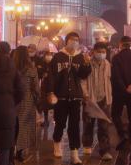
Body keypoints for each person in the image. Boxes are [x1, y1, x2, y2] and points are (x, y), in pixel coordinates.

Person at [48, 32, 92, 164]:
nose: (75, 42)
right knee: (60, 123)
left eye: (77, 40)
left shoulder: (80, 57)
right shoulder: (58, 57)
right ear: (66, 41)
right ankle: (57, 143)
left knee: (74, 126)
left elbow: (83, 75)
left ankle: (74, 153)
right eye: (72, 40)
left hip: (75, 97)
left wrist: (87, 64)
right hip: (61, 97)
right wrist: (51, 92)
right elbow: (51, 76)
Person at [81, 42, 113, 161]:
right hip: (90, 98)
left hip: (104, 99)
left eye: (103, 52)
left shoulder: (107, 64)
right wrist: (85, 95)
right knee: (88, 123)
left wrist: (109, 96)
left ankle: (105, 150)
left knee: (103, 126)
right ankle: (87, 144)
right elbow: (83, 80)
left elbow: (109, 80)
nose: (101, 54)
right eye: (99, 51)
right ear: (93, 52)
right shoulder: (87, 63)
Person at [111, 36, 131, 150]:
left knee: (115, 114)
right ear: (130, 44)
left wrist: (124, 87)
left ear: (120, 44)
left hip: (119, 92)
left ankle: (122, 134)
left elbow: (116, 76)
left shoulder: (116, 58)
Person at [11, 46, 39, 162]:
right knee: (24, 126)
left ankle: (10, 149)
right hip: (27, 100)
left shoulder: (11, 68)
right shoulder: (31, 69)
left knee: (12, 125)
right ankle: (20, 151)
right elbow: (36, 87)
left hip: (12, 100)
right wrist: (38, 100)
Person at [36, 50, 54, 127]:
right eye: (47, 54)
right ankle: (45, 120)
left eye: (50, 54)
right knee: (44, 105)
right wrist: (43, 73)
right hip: (43, 87)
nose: (49, 56)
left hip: (52, 87)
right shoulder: (41, 63)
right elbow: (38, 72)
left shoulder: (53, 63)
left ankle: (51, 119)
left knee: (52, 104)